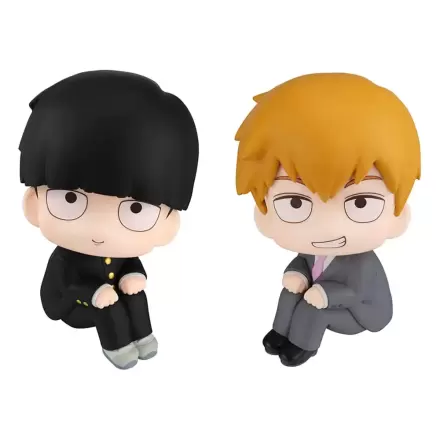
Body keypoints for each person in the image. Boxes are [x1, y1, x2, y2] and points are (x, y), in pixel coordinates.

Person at [235, 73, 420, 367]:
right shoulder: (312, 250)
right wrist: (296, 274)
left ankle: (302, 346)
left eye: (361, 202)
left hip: (361, 313)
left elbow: (356, 292)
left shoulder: (362, 263)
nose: (328, 228)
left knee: (313, 310)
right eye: (295, 203)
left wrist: (325, 294)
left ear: (400, 213)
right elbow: (304, 263)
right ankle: (279, 333)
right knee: (290, 292)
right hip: (326, 297)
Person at [20, 70, 199, 369]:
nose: (100, 229)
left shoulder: (123, 252)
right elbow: (63, 285)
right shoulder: (66, 258)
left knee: (135, 294)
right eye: (70, 199)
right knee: (109, 307)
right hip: (70, 307)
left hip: (108, 298)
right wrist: (93, 292)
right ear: (33, 203)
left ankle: (144, 339)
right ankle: (118, 348)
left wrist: (133, 276)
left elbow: (129, 264)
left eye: (135, 209)